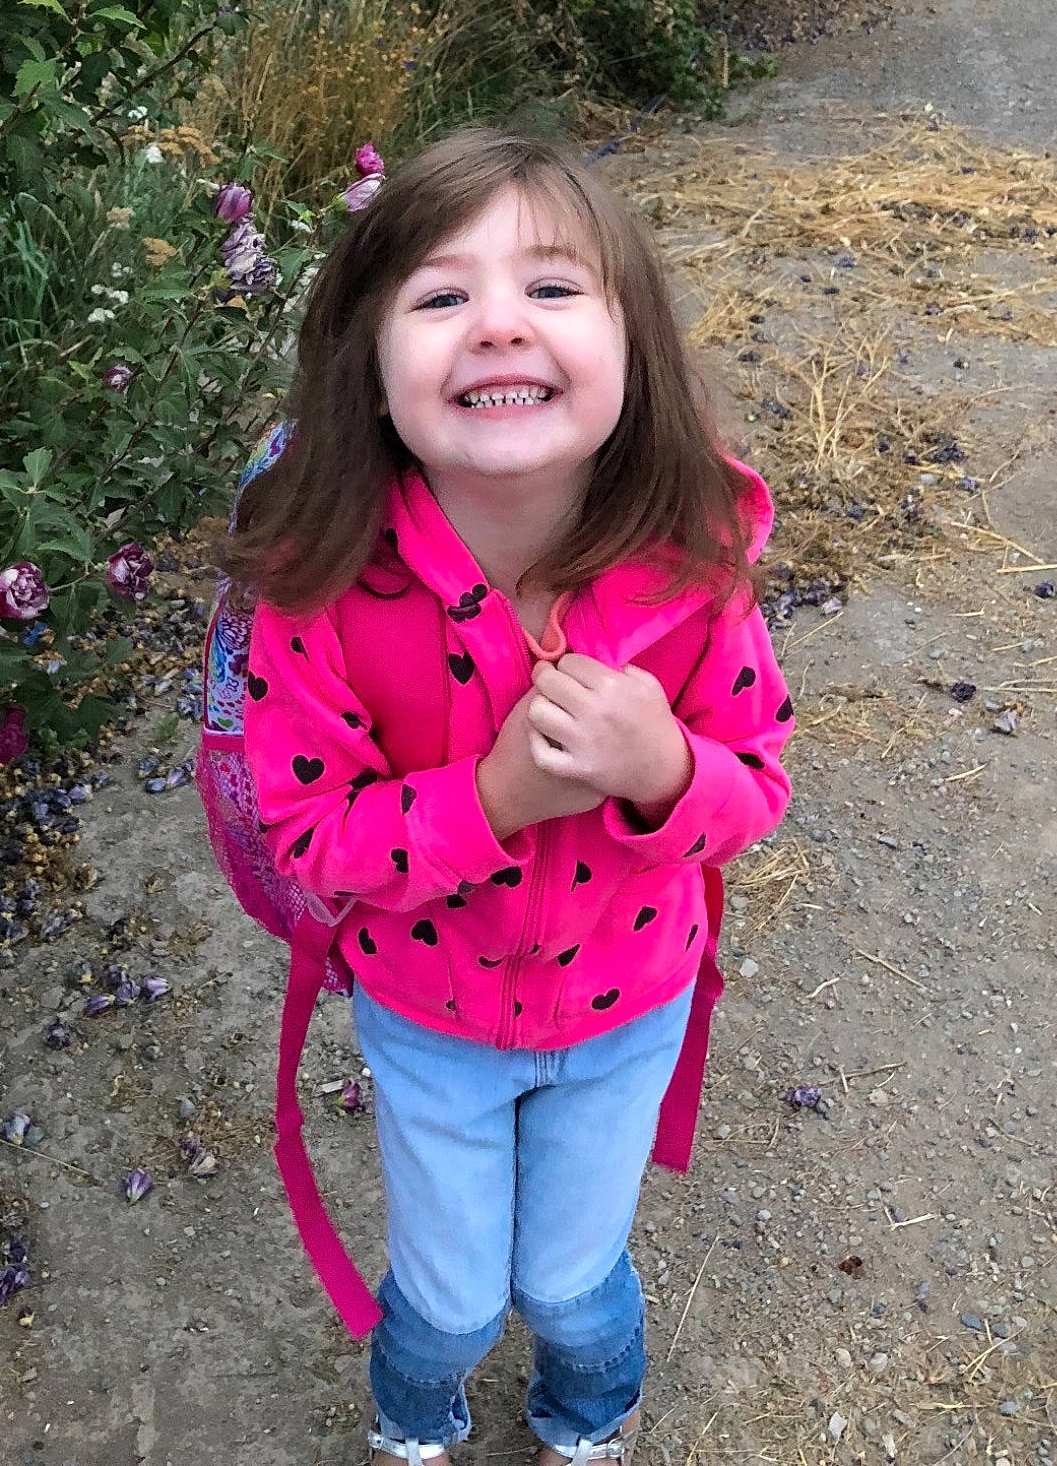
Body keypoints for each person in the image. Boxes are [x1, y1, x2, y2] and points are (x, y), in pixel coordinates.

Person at [222, 124, 795, 1466]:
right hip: (429, 1021)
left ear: (632, 351)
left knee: (571, 1282)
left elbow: (757, 785)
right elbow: (311, 838)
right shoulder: (320, 591)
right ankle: (413, 1421)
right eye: (439, 296)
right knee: (453, 1298)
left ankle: (586, 1422)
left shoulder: (693, 564)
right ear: (367, 372)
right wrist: (492, 798)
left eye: (550, 286)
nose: (497, 324)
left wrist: (664, 769)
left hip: (631, 1004)